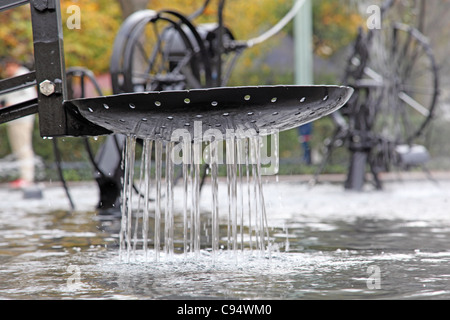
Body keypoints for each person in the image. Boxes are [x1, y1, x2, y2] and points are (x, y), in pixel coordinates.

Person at [0, 58, 37, 189]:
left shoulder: (22, 76)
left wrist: (11, 104)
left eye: (8, 66)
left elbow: (30, 97)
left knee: (23, 147)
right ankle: (23, 176)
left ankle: (27, 178)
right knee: (18, 148)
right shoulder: (13, 78)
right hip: (14, 119)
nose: (7, 70)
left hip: (22, 119)